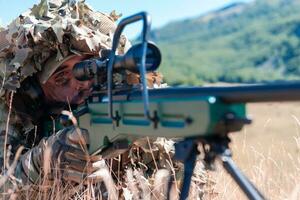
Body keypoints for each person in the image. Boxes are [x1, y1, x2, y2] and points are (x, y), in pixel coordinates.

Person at [0, 0, 207, 199]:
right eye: (61, 78)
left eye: (88, 69)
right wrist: (41, 163)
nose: (80, 84)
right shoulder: (9, 112)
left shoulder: (124, 107)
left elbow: (186, 178)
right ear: (34, 88)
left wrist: (109, 187)